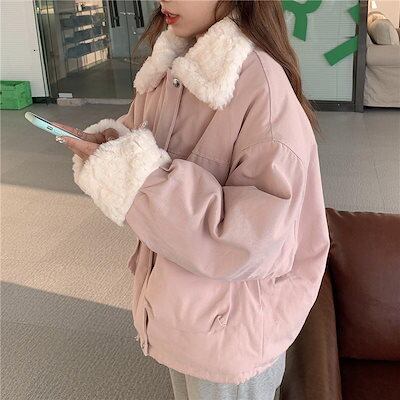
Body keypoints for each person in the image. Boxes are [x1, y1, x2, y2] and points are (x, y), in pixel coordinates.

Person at [56, 1, 331, 399]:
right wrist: (110, 147)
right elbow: (141, 143)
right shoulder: (169, 67)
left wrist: (135, 175)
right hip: (181, 315)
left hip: (230, 335)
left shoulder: (261, 87)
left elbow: (251, 241)